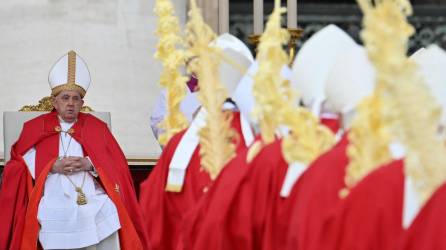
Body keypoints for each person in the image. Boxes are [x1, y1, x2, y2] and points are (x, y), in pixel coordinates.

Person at [0, 51, 149, 250]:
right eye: (65, 98)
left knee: (103, 209)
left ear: (82, 103)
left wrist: (91, 163)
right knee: (56, 212)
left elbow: (117, 164)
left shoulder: (97, 127)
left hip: (89, 189)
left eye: (76, 99)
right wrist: (51, 166)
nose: (70, 103)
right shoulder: (34, 127)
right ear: (54, 102)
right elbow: (17, 162)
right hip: (50, 189)